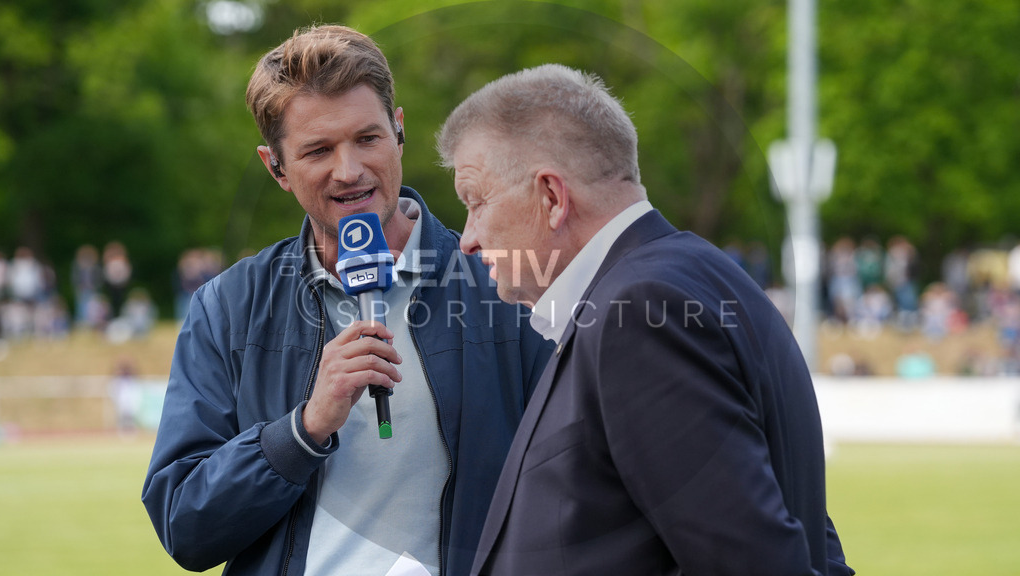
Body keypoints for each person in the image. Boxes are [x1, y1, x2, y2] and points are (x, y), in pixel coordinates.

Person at [142, 25, 551, 576]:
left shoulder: (506, 284)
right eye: (317, 150)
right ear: (275, 167)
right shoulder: (228, 306)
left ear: (399, 131)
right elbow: (185, 526)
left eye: (367, 138)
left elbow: (575, 485)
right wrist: (304, 429)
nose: (349, 170)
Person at [436, 64, 853, 576]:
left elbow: (754, 560)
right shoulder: (692, 280)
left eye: (476, 203)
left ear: (551, 197)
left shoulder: (636, 316)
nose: (467, 238)